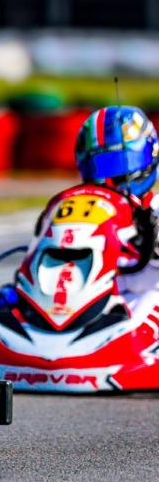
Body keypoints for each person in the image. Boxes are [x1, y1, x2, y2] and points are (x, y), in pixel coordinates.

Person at [73, 106, 159, 321]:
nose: (110, 178)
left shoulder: (156, 209)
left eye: (119, 164)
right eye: (100, 168)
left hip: (146, 313)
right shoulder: (84, 214)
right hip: (97, 311)